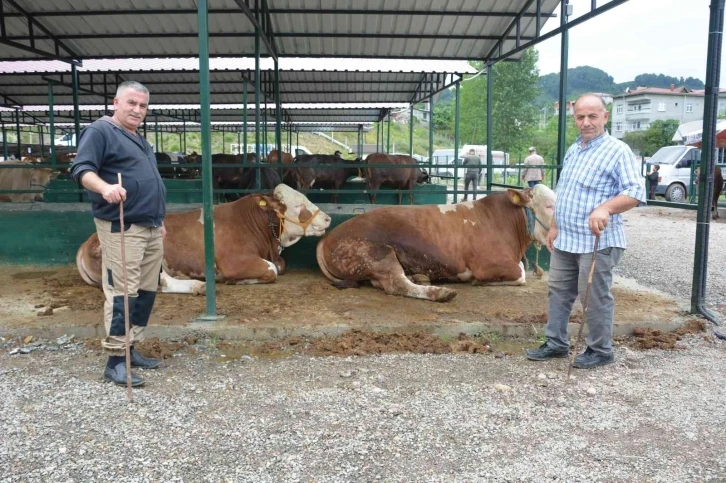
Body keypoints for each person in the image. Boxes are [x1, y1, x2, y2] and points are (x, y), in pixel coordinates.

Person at [526, 93, 646, 369]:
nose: (586, 122)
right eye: (581, 117)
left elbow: (635, 192)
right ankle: (556, 343)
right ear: (574, 119)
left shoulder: (618, 151)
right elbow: (565, 192)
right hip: (567, 238)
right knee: (557, 291)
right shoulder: (574, 149)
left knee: (592, 295)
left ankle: (601, 350)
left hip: (598, 240)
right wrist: (554, 226)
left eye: (593, 116)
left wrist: (605, 208)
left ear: (605, 117)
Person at [70, 81, 167, 387]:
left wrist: (159, 218)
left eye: (143, 106)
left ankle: (130, 349)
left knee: (147, 289)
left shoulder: (139, 139)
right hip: (122, 225)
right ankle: (114, 361)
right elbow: (81, 169)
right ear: (116, 102)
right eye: (132, 103)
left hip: (150, 226)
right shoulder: (100, 131)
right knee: (123, 292)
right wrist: (105, 187)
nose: (138, 110)